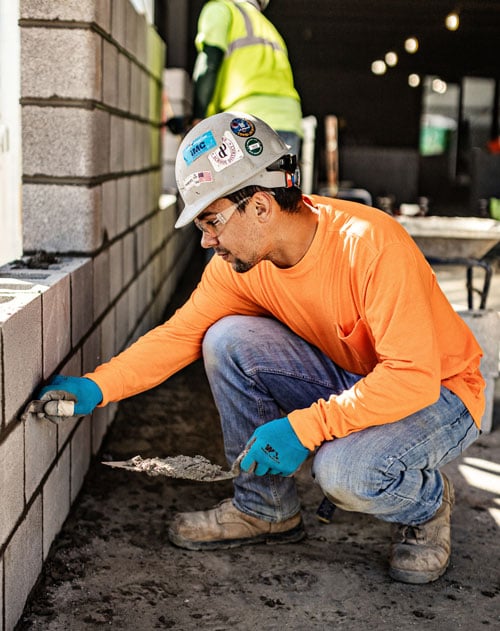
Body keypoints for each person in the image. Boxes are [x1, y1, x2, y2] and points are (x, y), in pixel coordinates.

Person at [38, 112, 485, 585]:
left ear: (261, 206)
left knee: (342, 472)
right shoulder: (239, 268)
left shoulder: (370, 246)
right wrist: (96, 387)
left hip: (441, 390)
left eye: (213, 220)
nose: (208, 240)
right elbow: (178, 335)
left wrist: (307, 427)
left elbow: (411, 377)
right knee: (226, 339)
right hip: (360, 376)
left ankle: (428, 502)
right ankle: (264, 508)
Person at [189, 0, 302, 157]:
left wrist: (198, 118)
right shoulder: (270, 29)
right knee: (279, 180)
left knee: (240, 181)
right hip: (288, 120)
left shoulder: (220, 9)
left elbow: (209, 63)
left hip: (245, 121)